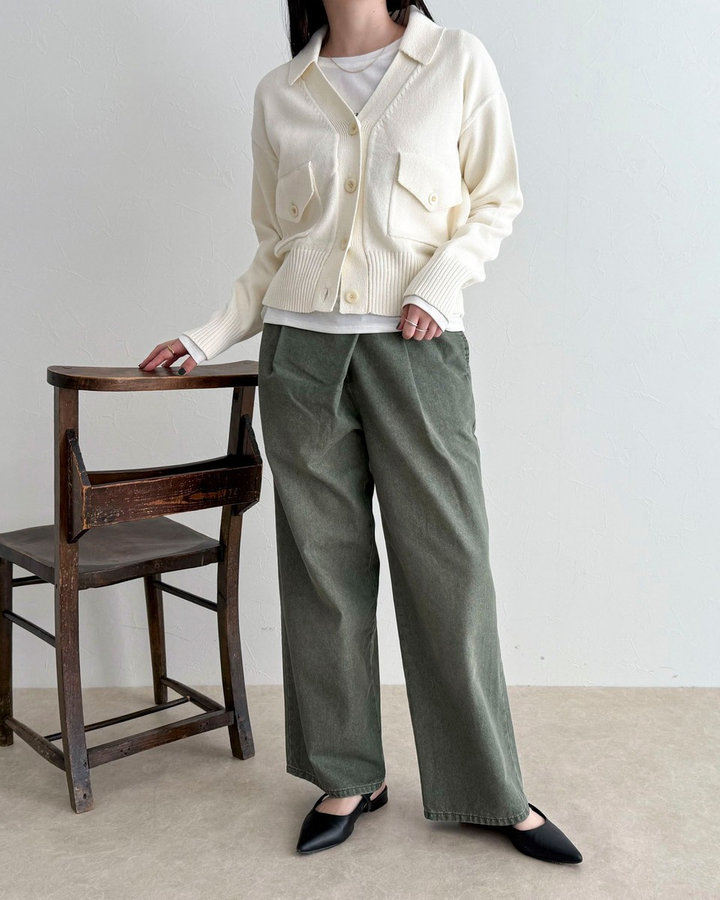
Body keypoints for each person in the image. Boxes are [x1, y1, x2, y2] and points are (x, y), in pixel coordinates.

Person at [139, 1, 582, 864]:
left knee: (449, 568)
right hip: (299, 356)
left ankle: (488, 788)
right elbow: (276, 246)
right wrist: (206, 336)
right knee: (323, 571)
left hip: (416, 348)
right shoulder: (281, 90)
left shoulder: (454, 60)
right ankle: (347, 775)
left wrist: (440, 284)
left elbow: (495, 200)